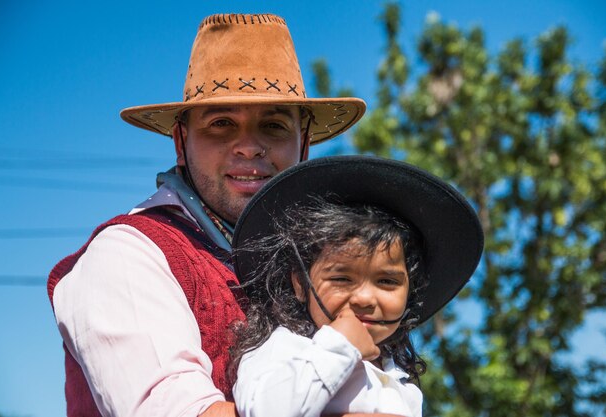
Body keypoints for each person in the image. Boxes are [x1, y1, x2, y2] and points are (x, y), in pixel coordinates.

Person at [46, 13, 366, 417]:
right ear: (181, 142)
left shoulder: (316, 267)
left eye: (274, 125)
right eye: (221, 123)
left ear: (303, 146)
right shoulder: (127, 255)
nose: (249, 146)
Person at [230, 156, 485, 417]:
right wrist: (338, 346)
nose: (365, 298)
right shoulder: (284, 349)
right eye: (341, 279)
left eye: (387, 281)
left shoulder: (399, 379)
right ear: (300, 283)